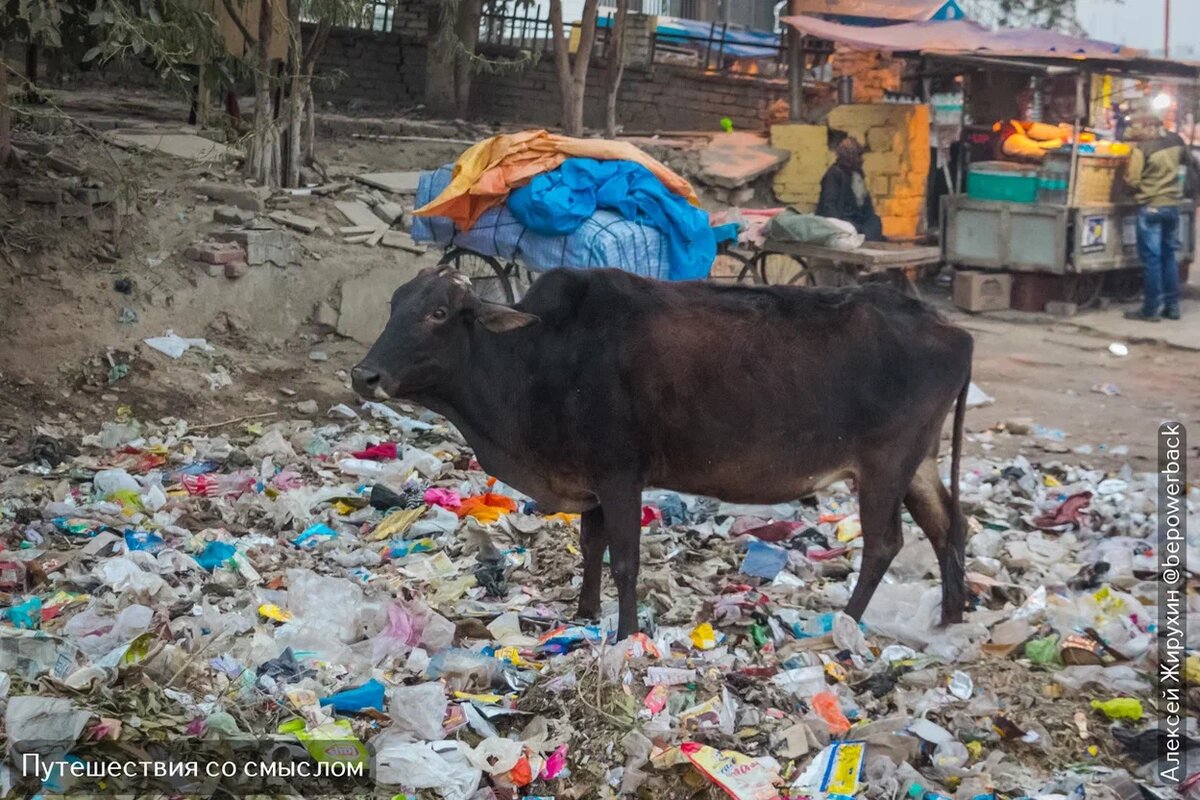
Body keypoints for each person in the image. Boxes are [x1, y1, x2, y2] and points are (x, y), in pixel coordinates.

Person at [1123, 115, 1196, 321]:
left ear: (1147, 126)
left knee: (1152, 260)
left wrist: (1127, 187)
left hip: (1151, 207)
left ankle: (1150, 309)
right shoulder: (1176, 141)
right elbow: (1188, 163)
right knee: (1168, 257)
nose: (1132, 129)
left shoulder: (1142, 148)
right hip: (1172, 206)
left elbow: (1133, 180)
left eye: (1136, 125)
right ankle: (1172, 307)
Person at [817, 137, 884, 242]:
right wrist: (838, 226)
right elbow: (828, 205)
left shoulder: (858, 174)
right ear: (849, 156)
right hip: (844, 219)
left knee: (875, 222)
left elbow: (865, 202)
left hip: (860, 220)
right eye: (858, 156)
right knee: (853, 229)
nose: (861, 159)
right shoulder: (834, 174)